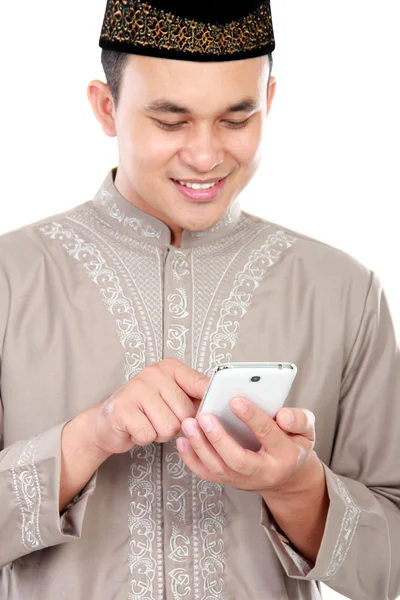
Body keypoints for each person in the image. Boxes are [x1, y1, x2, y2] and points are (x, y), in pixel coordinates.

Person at [0, 1, 399, 598]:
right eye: (171, 121)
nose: (207, 155)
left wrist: (297, 487)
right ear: (106, 108)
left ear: (270, 100)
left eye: (237, 120)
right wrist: (88, 439)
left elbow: (390, 565)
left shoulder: (344, 291)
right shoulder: (10, 277)